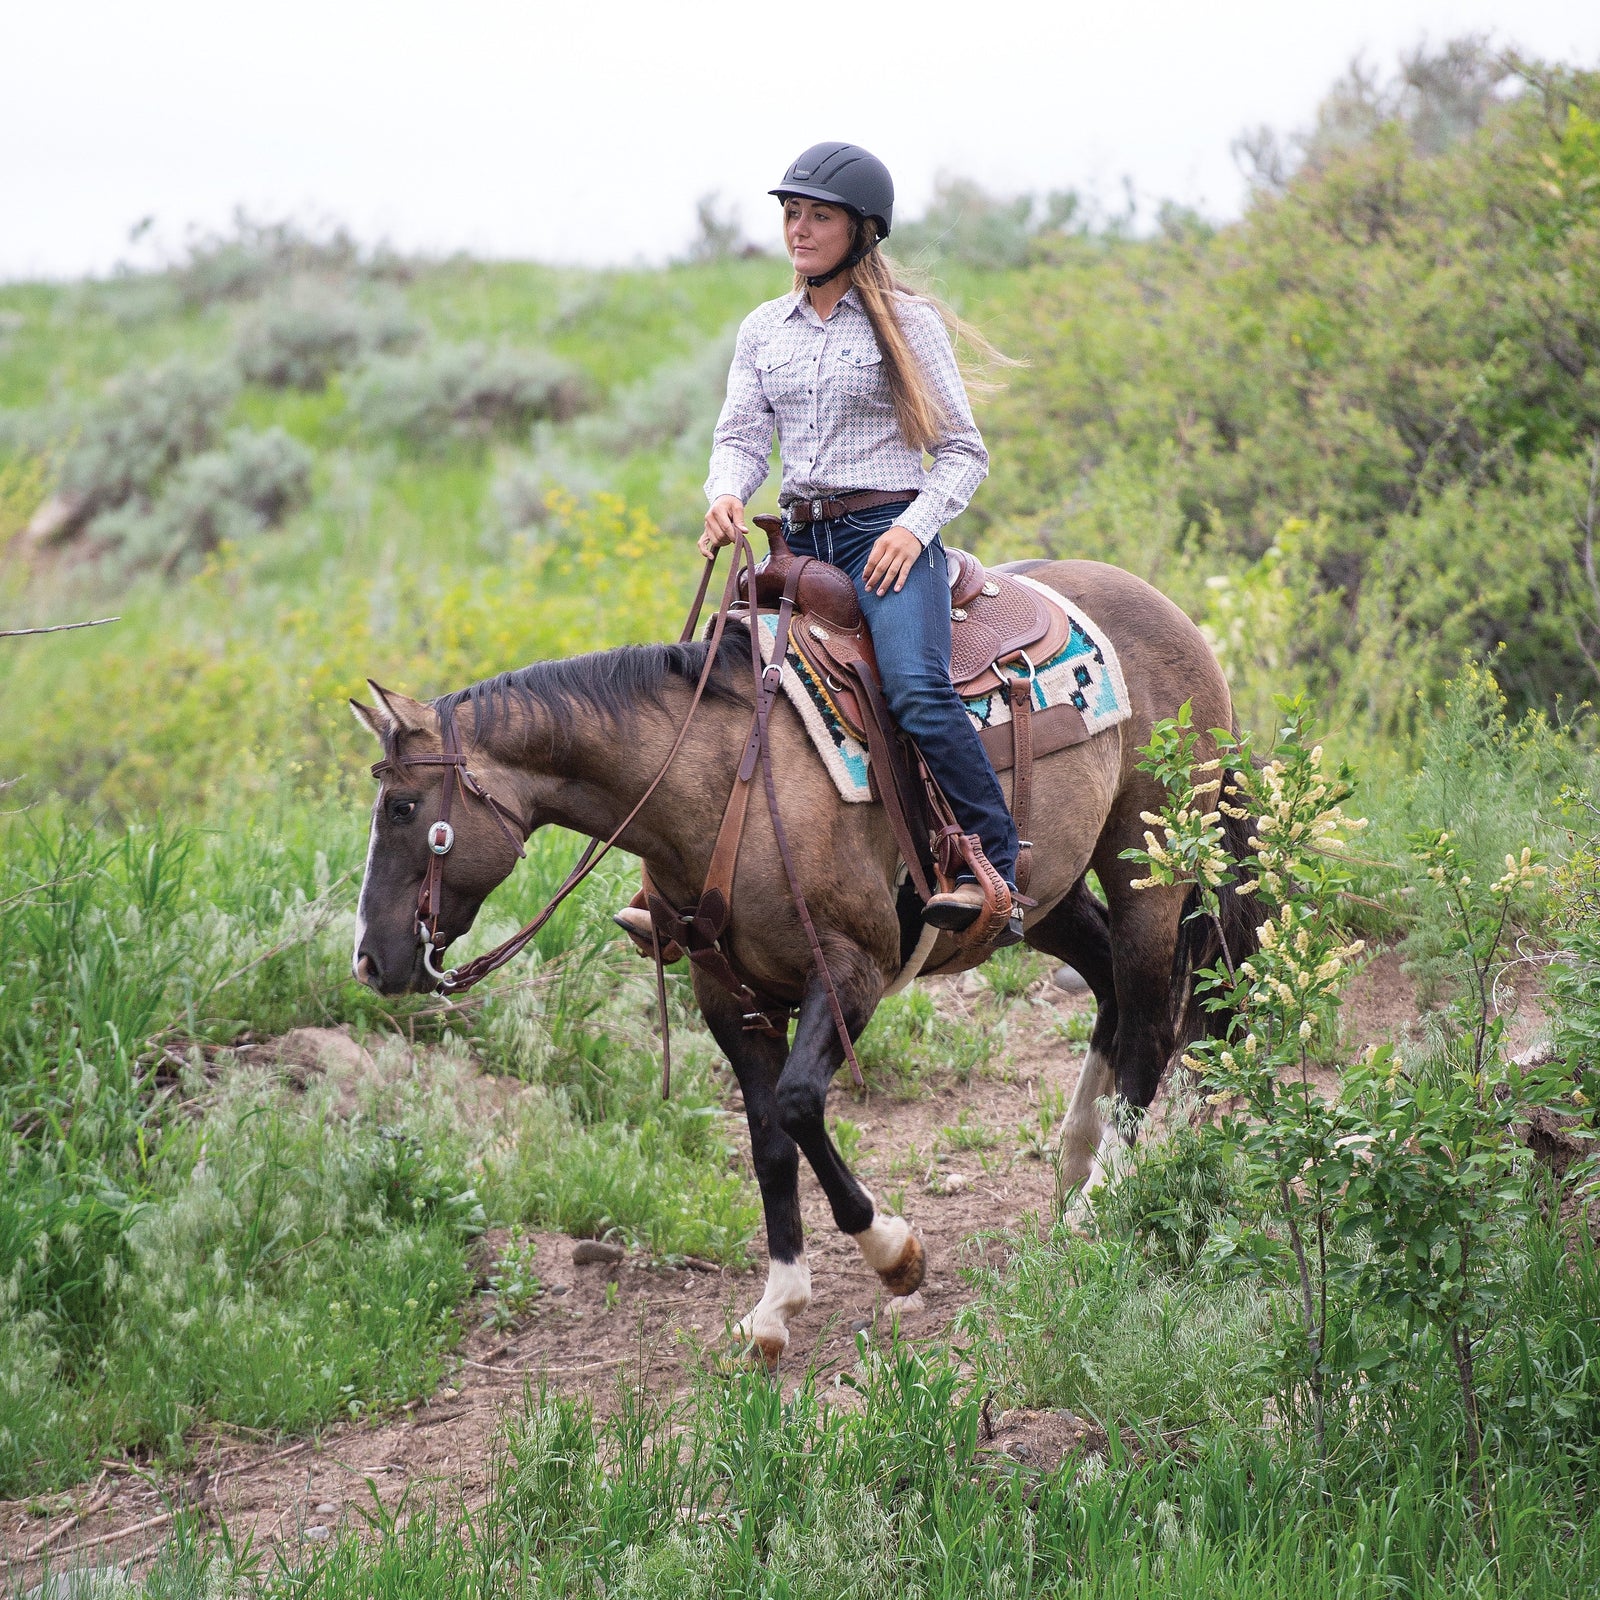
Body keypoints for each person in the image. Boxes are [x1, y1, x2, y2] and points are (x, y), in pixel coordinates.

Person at [617, 140, 1020, 941]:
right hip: (797, 545)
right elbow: (739, 435)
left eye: (818, 216)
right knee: (711, 683)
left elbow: (964, 450)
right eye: (791, 213)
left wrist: (913, 531)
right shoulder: (765, 328)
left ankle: (995, 870)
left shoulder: (907, 325)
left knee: (915, 689)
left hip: (887, 535)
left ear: (863, 230)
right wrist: (725, 493)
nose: (798, 229)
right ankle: (679, 889)